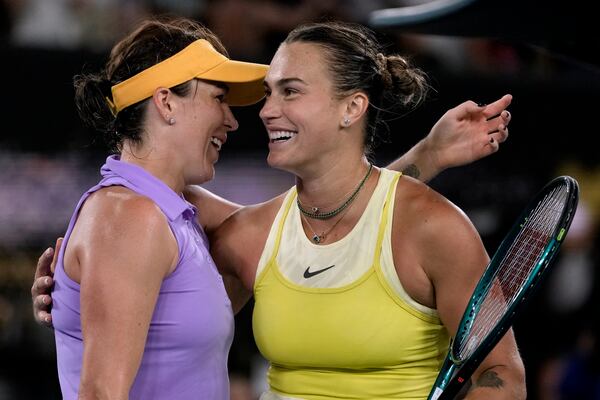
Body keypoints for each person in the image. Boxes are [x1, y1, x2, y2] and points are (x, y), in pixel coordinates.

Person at [31, 18, 515, 400]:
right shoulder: (143, 217)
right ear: (165, 103)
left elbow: (350, 214)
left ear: (353, 108)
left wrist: (425, 157)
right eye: (223, 98)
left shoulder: (180, 214)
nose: (248, 116)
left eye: (290, 91)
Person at [42, 17, 271, 399]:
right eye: (219, 98)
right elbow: (100, 393)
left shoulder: (172, 211)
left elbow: (296, 219)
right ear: (166, 102)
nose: (231, 120)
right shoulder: (129, 217)